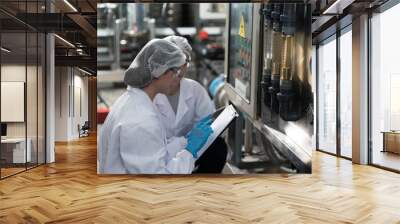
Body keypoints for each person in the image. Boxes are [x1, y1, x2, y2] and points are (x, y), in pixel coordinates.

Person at [98, 39, 213, 174]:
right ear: (161, 71)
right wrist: (189, 152)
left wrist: (185, 141)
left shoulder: (131, 101)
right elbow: (159, 180)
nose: (178, 80)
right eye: (176, 73)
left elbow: (151, 152)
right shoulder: (141, 120)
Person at [153, 35, 228, 173]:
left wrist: (197, 139)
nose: (179, 69)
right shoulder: (152, 92)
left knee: (218, 147)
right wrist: (182, 142)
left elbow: (210, 125)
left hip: (191, 150)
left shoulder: (195, 90)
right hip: (158, 154)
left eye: (184, 62)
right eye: (174, 62)